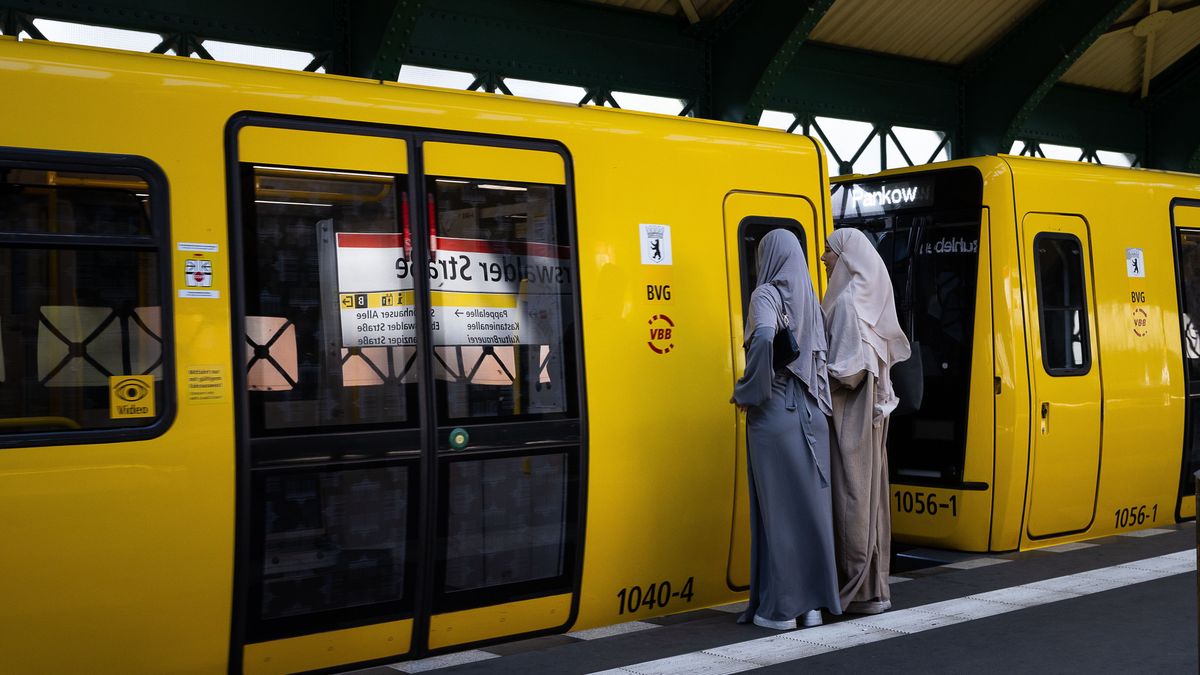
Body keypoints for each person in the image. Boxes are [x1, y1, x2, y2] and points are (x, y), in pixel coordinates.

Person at [731, 229, 842, 630]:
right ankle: (811, 607)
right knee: (810, 513)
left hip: (775, 413)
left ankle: (780, 610)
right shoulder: (810, 298)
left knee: (777, 514)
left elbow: (762, 341)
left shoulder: (765, 295)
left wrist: (749, 390)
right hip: (813, 415)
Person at [820, 228, 911, 615]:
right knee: (870, 500)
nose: (823, 258)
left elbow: (850, 373)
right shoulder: (870, 301)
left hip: (850, 416)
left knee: (851, 498)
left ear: (846, 257)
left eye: (828, 251)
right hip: (873, 417)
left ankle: (855, 589)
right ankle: (875, 587)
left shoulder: (846, 305)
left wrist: (809, 371)